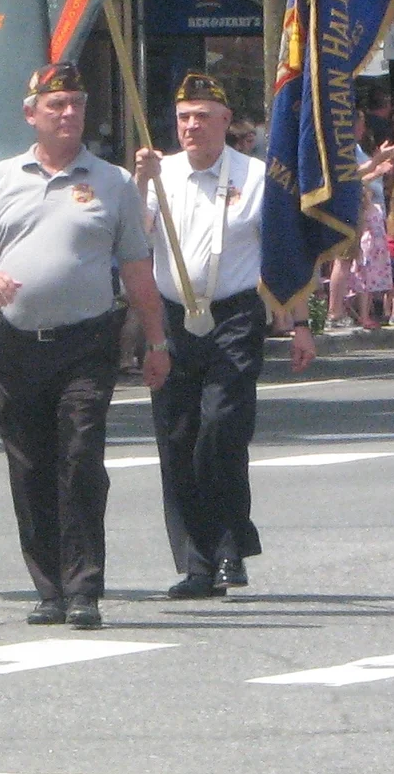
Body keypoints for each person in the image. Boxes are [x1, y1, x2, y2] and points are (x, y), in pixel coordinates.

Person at [0, 61, 168, 630]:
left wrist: (158, 340)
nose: (68, 114)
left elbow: (137, 268)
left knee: (81, 458)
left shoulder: (112, 181)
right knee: (30, 466)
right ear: (31, 115)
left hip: (86, 343)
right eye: (56, 105)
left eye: (76, 103)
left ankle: (84, 587)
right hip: (18, 344)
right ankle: (48, 588)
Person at [134, 71, 314, 600]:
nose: (193, 127)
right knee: (177, 437)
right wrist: (140, 182)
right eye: (185, 117)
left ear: (227, 123)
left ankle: (231, 540)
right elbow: (131, 240)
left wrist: (301, 322)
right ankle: (196, 562)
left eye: (204, 117)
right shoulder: (158, 174)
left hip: (234, 316)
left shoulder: (256, 177)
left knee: (222, 429)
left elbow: (283, 256)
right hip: (172, 316)